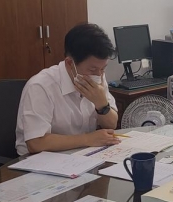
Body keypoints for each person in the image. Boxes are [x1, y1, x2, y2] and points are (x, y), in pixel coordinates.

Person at [16, 23, 120, 155]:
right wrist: (87, 139)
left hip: (82, 155)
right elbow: (36, 143)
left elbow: (111, 125)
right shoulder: (40, 86)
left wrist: (102, 105)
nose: (99, 75)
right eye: (92, 69)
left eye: (103, 68)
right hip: (39, 161)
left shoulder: (97, 77)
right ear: (70, 63)